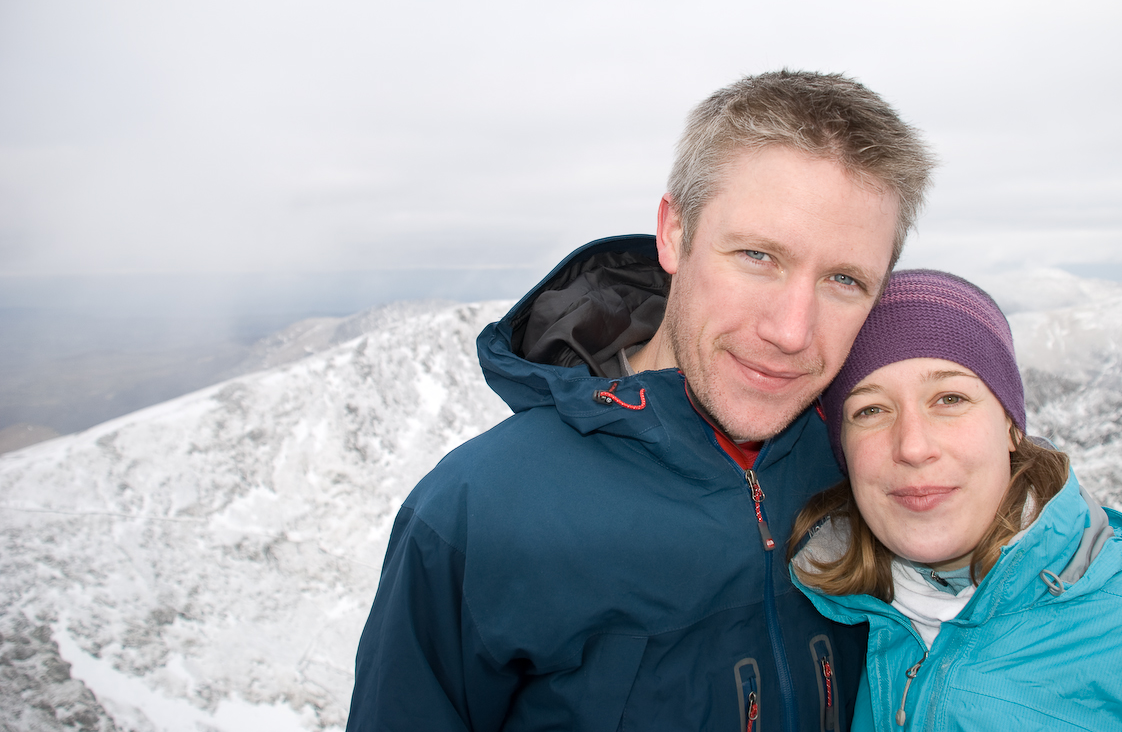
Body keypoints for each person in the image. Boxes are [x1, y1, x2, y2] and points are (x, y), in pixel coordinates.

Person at [347, 70, 936, 731]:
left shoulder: (872, 471)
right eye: (757, 256)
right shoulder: (478, 515)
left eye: (844, 279)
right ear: (675, 233)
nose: (791, 331)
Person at [789, 269, 1122, 731]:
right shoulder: (839, 619)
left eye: (950, 399)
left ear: (1011, 426)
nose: (913, 447)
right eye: (871, 409)